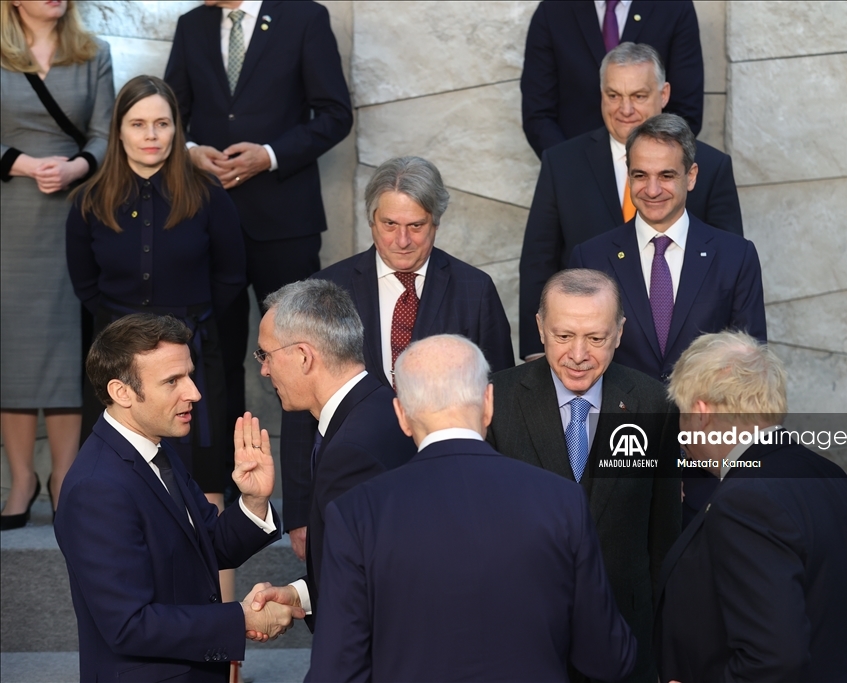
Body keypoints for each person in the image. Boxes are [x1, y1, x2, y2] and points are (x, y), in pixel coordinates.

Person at [305, 334, 637, 682]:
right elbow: (608, 657)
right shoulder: (562, 501)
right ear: (489, 402)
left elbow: (336, 671)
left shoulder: (356, 513)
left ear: (402, 415)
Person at [163, 0, 354, 514]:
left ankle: (305, 488)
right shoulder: (192, 25)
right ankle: (224, 490)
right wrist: (190, 150)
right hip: (206, 222)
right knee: (214, 359)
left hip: (284, 223)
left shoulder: (304, 18)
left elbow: (336, 114)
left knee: (299, 356)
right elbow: (170, 112)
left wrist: (268, 155)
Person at [279, 156, 515, 553]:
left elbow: (500, 400)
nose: (401, 240)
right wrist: (300, 512)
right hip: (348, 492)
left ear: (436, 223)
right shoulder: (326, 289)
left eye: (416, 226)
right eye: (389, 225)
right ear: (372, 221)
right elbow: (301, 403)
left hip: (447, 487)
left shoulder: (475, 290)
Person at [54, 313, 301, 682]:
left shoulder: (156, 450)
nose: (195, 393)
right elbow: (129, 624)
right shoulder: (96, 488)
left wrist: (252, 501)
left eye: (189, 374)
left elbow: (207, 547)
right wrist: (241, 618)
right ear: (122, 392)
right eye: (173, 381)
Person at [569, 113, 764, 524]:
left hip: (709, 469)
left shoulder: (735, 256)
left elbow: (748, 371)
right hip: (619, 465)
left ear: (691, 176)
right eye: (640, 175)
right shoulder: (591, 257)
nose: (652, 189)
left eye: (667, 175)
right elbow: (581, 367)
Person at [488, 269, 680, 683]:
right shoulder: (493, 400)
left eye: (595, 338)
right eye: (563, 336)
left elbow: (663, 536)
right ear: (540, 328)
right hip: (520, 636)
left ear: (619, 333)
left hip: (625, 638)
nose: (578, 355)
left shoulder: (654, 404)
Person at [66, 74, 245, 513]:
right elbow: (85, 283)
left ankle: (211, 583)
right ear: (119, 129)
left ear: (176, 129)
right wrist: (124, 331)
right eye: (138, 124)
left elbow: (231, 275)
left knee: (205, 484)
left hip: (194, 350)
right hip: (115, 356)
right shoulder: (88, 200)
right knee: (116, 483)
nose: (151, 135)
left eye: (162, 124)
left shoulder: (208, 195)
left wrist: (186, 324)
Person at [656, 331, 847, 682]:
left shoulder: (746, 501)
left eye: (680, 414)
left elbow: (775, 661)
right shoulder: (830, 475)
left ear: (701, 412)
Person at [519, 42, 742, 362]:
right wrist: (537, 349)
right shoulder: (562, 163)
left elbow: (729, 269)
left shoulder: (711, 165)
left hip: (689, 363)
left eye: (638, 96)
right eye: (613, 96)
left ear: (664, 95)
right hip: (590, 362)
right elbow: (538, 262)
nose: (625, 109)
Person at [242, 279, 415, 633]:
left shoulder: (352, 450)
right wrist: (300, 595)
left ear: (304, 357)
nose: (263, 369)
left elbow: (358, 594)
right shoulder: (379, 406)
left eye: (266, 355)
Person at [0, 0, 113, 529]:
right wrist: (19, 164)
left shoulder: (94, 53)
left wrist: (73, 168)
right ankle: (22, 479)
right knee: (14, 349)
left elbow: (105, 133)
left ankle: (65, 476)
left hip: (74, 212)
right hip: (8, 217)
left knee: (71, 344)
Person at [521, 0, 703, 158]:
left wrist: (649, 167)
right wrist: (572, 171)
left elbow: (686, 110)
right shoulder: (553, 11)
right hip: (575, 181)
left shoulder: (674, 8)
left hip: (654, 183)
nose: (625, 110)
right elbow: (538, 115)